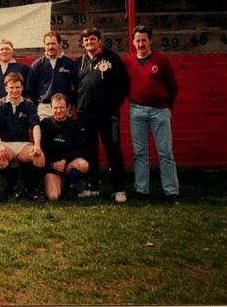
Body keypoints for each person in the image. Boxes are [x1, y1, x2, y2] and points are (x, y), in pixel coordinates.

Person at [123, 25, 180, 203]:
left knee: (165, 152)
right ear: (133, 42)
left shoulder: (161, 60)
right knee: (139, 152)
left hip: (160, 111)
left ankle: (171, 191)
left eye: (144, 40)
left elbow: (173, 87)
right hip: (137, 110)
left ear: (150, 41)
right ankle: (141, 190)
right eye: (137, 40)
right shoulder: (128, 62)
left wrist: (165, 106)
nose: (140, 44)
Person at [75, 26, 129, 202]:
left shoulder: (112, 59)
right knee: (90, 151)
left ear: (99, 40)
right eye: (86, 40)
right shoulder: (79, 62)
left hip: (108, 115)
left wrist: (113, 107)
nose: (89, 42)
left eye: (92, 39)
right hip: (85, 115)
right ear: (82, 43)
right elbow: (76, 88)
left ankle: (119, 189)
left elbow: (123, 86)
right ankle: (92, 187)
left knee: (113, 150)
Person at [0, 73, 45, 202]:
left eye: (18, 87)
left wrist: (37, 145)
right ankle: (14, 188)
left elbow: (35, 125)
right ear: (6, 88)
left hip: (23, 145)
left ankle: (33, 190)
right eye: (12, 87)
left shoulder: (29, 104)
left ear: (22, 87)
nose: (15, 90)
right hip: (5, 144)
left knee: (39, 156)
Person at [40, 93, 89, 201]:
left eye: (62, 107)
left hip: (67, 164)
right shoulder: (45, 124)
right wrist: (52, 164)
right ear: (51, 108)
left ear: (67, 108)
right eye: (56, 108)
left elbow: (81, 149)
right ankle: (51, 184)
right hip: (51, 166)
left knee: (83, 165)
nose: (58, 111)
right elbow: (42, 149)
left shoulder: (76, 125)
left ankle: (69, 185)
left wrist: (65, 161)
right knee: (53, 197)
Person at [27, 31, 77, 119]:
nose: (50, 47)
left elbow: (76, 85)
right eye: (48, 44)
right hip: (44, 108)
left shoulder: (69, 63)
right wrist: (37, 104)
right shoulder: (37, 64)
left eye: (53, 43)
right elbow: (31, 87)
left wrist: (72, 103)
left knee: (64, 133)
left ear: (59, 44)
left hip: (63, 106)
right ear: (44, 45)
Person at [0, 39, 30, 103]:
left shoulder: (24, 68)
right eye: (1, 49)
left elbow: (31, 89)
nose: (4, 51)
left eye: (7, 49)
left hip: (20, 108)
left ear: (12, 51)